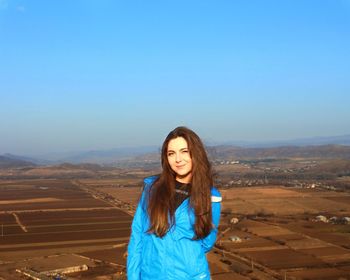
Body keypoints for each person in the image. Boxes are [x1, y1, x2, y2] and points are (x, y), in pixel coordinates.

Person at [127, 126, 222, 280]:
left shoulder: (211, 197)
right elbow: (137, 237)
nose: (178, 159)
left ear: (196, 154)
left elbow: (207, 242)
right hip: (151, 275)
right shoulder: (152, 190)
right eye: (171, 153)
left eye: (184, 151)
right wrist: (133, 277)